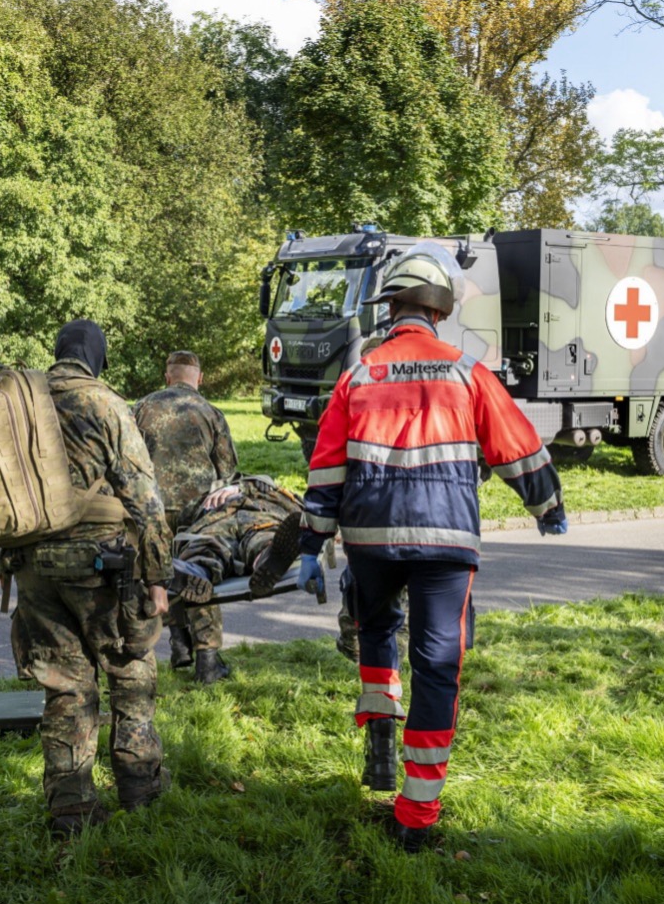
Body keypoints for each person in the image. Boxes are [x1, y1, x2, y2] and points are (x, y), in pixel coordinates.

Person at [288, 243, 568, 853]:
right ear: (439, 310)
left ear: (391, 308)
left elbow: (327, 467)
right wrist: (546, 505)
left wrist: (311, 543)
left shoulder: (358, 376)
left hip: (370, 541)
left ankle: (381, 745)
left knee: (377, 630)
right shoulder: (466, 371)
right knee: (438, 667)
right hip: (445, 545)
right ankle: (416, 819)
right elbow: (515, 445)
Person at [0, 320, 173, 838]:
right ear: (96, 358)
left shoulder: (20, 405)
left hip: (34, 568)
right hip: (100, 568)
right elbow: (145, 501)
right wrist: (157, 576)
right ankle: (140, 789)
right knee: (130, 672)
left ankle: (70, 810)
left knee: (65, 688)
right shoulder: (105, 404)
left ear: (58, 353)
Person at [134, 351, 239, 677]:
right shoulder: (211, 412)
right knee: (199, 574)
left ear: (167, 377)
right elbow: (228, 470)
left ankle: (179, 644)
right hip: (199, 509)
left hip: (153, 509)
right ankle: (207, 660)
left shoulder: (142, 408)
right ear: (199, 379)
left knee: (164, 574)